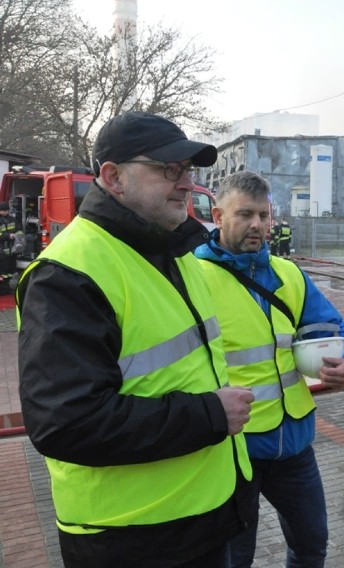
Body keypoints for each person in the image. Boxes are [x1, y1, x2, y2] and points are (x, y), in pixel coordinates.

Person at [16, 111, 256, 568]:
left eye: (188, 171)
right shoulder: (67, 274)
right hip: (130, 538)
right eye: (169, 169)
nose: (186, 183)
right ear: (113, 177)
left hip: (203, 517)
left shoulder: (174, 252)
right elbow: (66, 423)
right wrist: (210, 414)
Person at [194, 171, 344, 568]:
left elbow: (335, 327)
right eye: (244, 215)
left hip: (294, 444)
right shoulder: (193, 277)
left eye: (263, 215)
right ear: (219, 215)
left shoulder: (289, 274)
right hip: (234, 449)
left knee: (311, 545)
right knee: (235, 557)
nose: (257, 225)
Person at [0, 201, 18, 293]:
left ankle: (9, 287)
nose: (6, 212)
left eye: (7, 210)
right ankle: (3, 288)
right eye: (4, 211)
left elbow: (19, 229)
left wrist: (19, 236)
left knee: (11, 270)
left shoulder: (12, 219)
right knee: (3, 271)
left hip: (12, 250)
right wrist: (8, 236)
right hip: (2, 251)